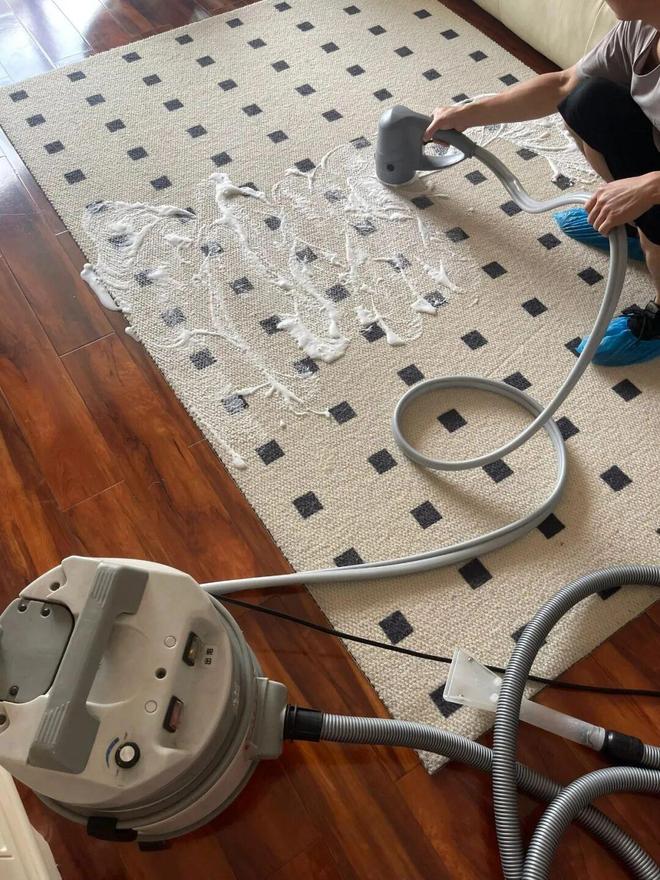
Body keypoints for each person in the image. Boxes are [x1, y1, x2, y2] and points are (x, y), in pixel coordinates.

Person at [424, 0, 660, 366]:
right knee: (585, 100)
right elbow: (563, 85)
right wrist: (468, 114)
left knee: (654, 219)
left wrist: (647, 189)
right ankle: (638, 226)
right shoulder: (642, 28)